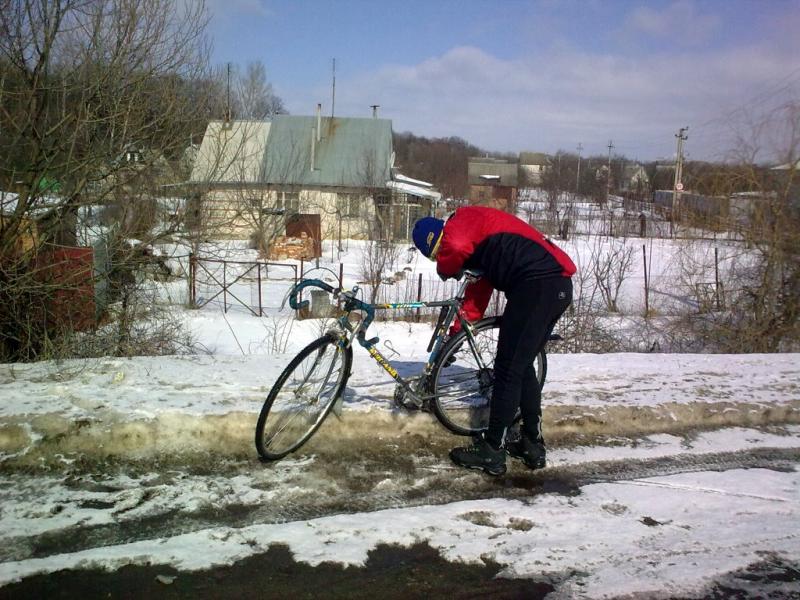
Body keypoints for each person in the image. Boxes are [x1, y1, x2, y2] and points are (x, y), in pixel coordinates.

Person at [412, 205, 575, 476]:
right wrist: (455, 337)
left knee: (507, 370)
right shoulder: (478, 242)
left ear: (440, 238)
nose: (444, 260)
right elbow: (476, 298)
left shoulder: (461, 223)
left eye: (439, 253)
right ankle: (531, 444)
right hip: (554, 287)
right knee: (521, 368)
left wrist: (446, 265)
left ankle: (492, 450)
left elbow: (456, 245)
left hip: (537, 286)